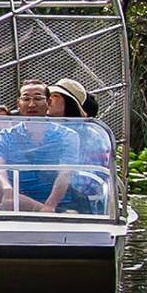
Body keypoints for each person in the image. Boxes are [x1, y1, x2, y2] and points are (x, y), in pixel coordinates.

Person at [0, 80, 78, 212]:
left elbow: (66, 173)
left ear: (49, 102)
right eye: (26, 99)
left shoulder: (66, 135)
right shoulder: (6, 136)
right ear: (18, 104)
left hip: (59, 205)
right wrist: (7, 189)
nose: (32, 104)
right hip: (18, 203)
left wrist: (50, 206)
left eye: (38, 98)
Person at [47, 77, 112, 215]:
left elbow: (84, 184)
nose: (49, 100)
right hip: (49, 196)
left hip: (81, 203)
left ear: (70, 103)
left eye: (55, 96)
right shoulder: (48, 129)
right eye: (49, 96)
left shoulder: (90, 135)